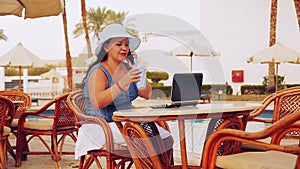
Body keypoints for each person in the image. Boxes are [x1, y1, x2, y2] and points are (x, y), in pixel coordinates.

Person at [75, 23, 173, 162]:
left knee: (166, 138)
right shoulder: (98, 71)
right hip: (102, 126)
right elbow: (98, 102)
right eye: (118, 44)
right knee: (148, 138)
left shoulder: (129, 69)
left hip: (126, 124)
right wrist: (122, 83)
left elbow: (147, 94)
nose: (124, 48)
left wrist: (138, 67)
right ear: (106, 47)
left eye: (126, 45)